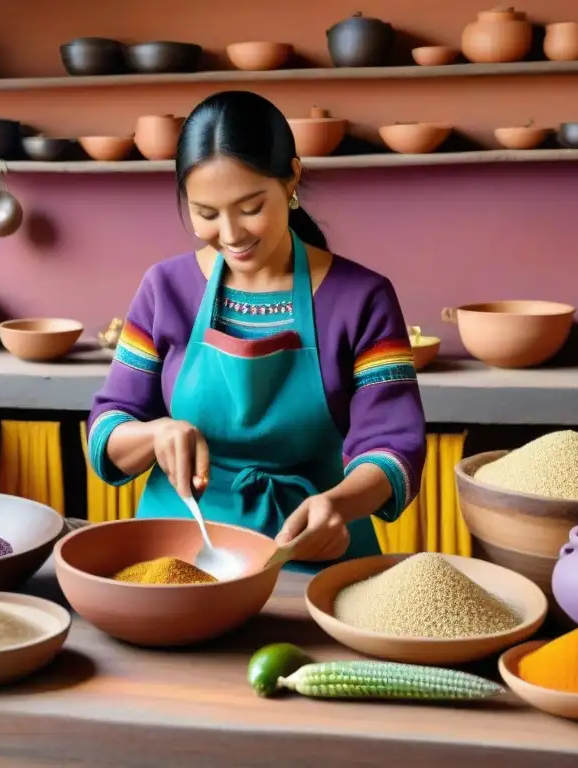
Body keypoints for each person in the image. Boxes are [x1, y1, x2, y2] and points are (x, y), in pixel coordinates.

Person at [87, 91, 427, 573]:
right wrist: (154, 433)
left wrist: (342, 505)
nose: (230, 234)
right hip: (178, 555)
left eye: (250, 207)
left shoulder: (362, 298)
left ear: (292, 177)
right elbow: (108, 427)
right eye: (205, 214)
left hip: (311, 548)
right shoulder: (165, 289)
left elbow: (393, 446)